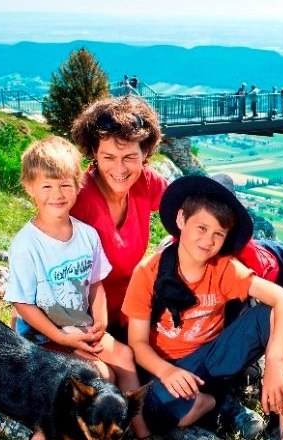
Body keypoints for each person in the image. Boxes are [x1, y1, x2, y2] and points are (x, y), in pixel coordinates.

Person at [122, 175, 283, 438]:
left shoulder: (223, 268)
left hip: (215, 358)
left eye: (218, 234)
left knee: (267, 316)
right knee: (157, 409)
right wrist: (167, 371)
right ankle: (218, 403)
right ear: (180, 220)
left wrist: (276, 366)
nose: (208, 240)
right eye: (201, 228)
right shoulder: (148, 273)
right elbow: (138, 344)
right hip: (169, 365)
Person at [5, 136, 150, 439]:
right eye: (46, 186)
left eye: (65, 185)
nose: (57, 194)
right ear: (29, 188)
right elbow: (22, 305)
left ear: (78, 185)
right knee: (102, 375)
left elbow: (95, 283)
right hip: (42, 337)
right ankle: (70, 430)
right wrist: (60, 336)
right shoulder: (26, 245)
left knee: (123, 356)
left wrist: (101, 321)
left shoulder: (86, 235)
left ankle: (139, 429)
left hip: (81, 328)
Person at [69, 95, 167, 341]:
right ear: (94, 151)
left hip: (133, 311)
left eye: (130, 157)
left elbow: (187, 213)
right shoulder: (78, 198)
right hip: (88, 320)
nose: (120, 169)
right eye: (108, 157)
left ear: (145, 152)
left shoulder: (145, 181)